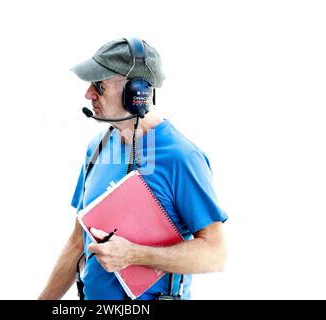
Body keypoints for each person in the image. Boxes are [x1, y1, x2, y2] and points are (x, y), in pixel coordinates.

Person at [38, 38, 228, 300]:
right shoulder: (97, 148)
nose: (88, 94)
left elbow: (215, 254)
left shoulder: (182, 157)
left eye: (99, 85)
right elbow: (76, 242)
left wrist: (135, 255)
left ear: (136, 92)